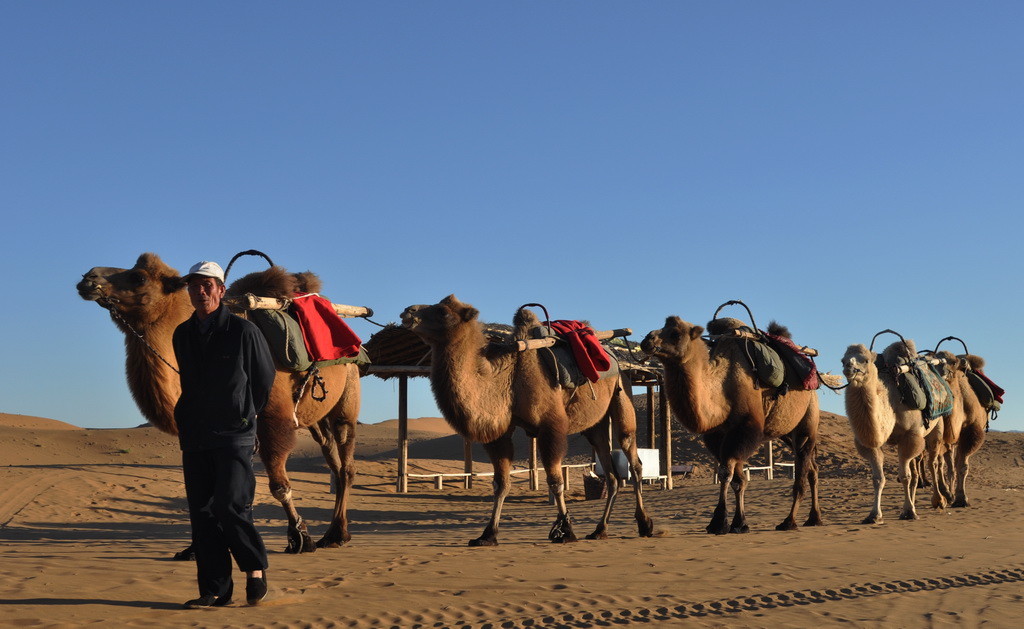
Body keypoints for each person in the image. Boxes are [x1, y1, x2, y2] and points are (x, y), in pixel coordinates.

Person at [171, 260, 277, 608]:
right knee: (202, 514)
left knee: (230, 505)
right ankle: (215, 589)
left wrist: (243, 414)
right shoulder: (182, 334)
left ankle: (255, 568)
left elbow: (263, 381)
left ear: (221, 290)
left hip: (234, 432)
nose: (200, 291)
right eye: (194, 286)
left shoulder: (243, 332)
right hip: (196, 433)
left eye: (207, 285)